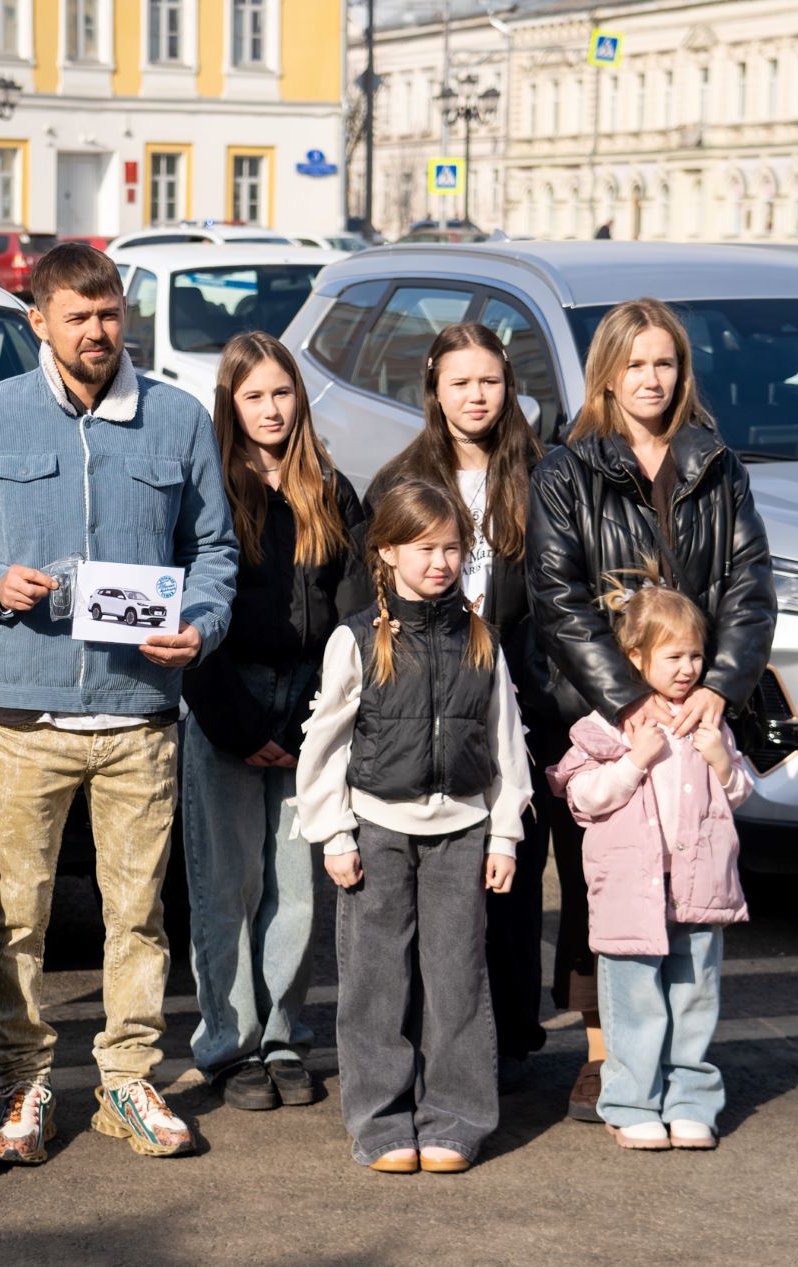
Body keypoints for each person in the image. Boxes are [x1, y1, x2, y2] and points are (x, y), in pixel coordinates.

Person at [0, 242, 238, 1163]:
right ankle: (23, 1081)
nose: (97, 332)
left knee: (136, 914)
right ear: (40, 321)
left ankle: (127, 1080)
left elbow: (214, 551)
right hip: (25, 715)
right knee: (16, 916)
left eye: (108, 314)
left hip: (140, 713)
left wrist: (201, 625)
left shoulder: (178, 419)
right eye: (77, 317)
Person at [525, 297, 774, 1125]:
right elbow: (558, 601)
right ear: (607, 373)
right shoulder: (566, 471)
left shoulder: (718, 465)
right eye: (634, 363)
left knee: (690, 888)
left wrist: (718, 686)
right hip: (603, 710)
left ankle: (680, 1068)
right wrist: (628, 700)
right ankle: (607, 1056)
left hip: (696, 708)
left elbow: (751, 589)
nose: (651, 378)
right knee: (605, 886)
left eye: (664, 362)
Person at [296, 479, 531, 1175]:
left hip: (463, 833)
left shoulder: (482, 638)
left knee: (458, 980)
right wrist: (334, 834)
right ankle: (380, 1121)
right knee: (376, 982)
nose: (440, 562)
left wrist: (505, 833)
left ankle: (456, 1118)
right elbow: (324, 745)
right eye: (424, 548)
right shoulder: (356, 639)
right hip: (377, 832)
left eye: (452, 548)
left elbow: (507, 741)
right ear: (388, 551)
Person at [361, 322, 555, 1089]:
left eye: (491, 381)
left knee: (507, 881)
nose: (477, 396)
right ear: (434, 389)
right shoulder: (399, 479)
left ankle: (503, 1041)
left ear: (510, 388)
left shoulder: (542, 476)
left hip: (516, 705)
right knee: (426, 901)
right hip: (423, 710)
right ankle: (423, 1048)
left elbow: (556, 599)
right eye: (461, 382)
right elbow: (368, 599)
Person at [179, 331, 364, 1112]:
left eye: (282, 392)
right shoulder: (208, 489)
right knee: (226, 885)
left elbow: (354, 610)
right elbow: (191, 615)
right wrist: (239, 722)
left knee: (294, 890)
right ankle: (230, 1043)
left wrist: (314, 720)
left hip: (312, 706)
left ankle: (284, 1035)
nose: (271, 408)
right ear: (230, 403)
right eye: (253, 395)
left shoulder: (332, 489)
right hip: (225, 697)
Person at [547, 572, 752, 1150]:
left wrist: (721, 761)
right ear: (635, 658)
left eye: (696, 657)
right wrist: (634, 761)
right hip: (630, 893)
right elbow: (582, 798)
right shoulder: (608, 724)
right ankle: (630, 1102)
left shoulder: (711, 722)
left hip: (698, 887)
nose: (687, 669)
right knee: (633, 1002)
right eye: (673, 657)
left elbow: (741, 795)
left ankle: (691, 1102)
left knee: (694, 997)